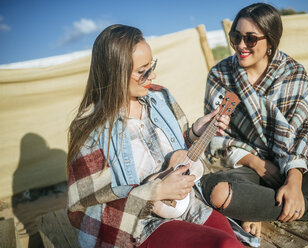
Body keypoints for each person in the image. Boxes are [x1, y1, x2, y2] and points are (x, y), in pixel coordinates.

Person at [201, 3, 308, 239]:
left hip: (294, 161)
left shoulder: (293, 72)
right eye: (236, 36)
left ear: (270, 41)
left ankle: (258, 206)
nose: (241, 45)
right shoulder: (220, 75)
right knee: (214, 188)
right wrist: (259, 164)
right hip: (248, 168)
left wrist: (293, 179)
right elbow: (217, 138)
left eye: (250, 39)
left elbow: (300, 131)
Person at [66, 24, 246, 248]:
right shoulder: (89, 128)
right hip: (140, 225)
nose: (153, 75)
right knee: (223, 245)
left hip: (187, 205)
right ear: (114, 73)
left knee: (232, 241)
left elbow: (180, 157)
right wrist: (155, 191)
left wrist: (194, 133)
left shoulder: (161, 97)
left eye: (151, 66)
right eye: (142, 72)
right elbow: (86, 205)